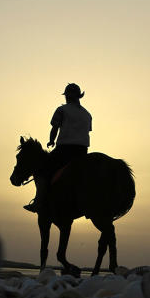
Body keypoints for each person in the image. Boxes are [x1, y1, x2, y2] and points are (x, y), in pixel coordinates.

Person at [24, 83, 92, 212]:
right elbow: (86, 132)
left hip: (64, 150)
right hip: (82, 151)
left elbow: (55, 127)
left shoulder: (62, 110)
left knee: (43, 170)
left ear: (69, 96)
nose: (66, 97)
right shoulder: (87, 114)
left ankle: (38, 201)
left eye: (66, 95)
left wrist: (51, 141)